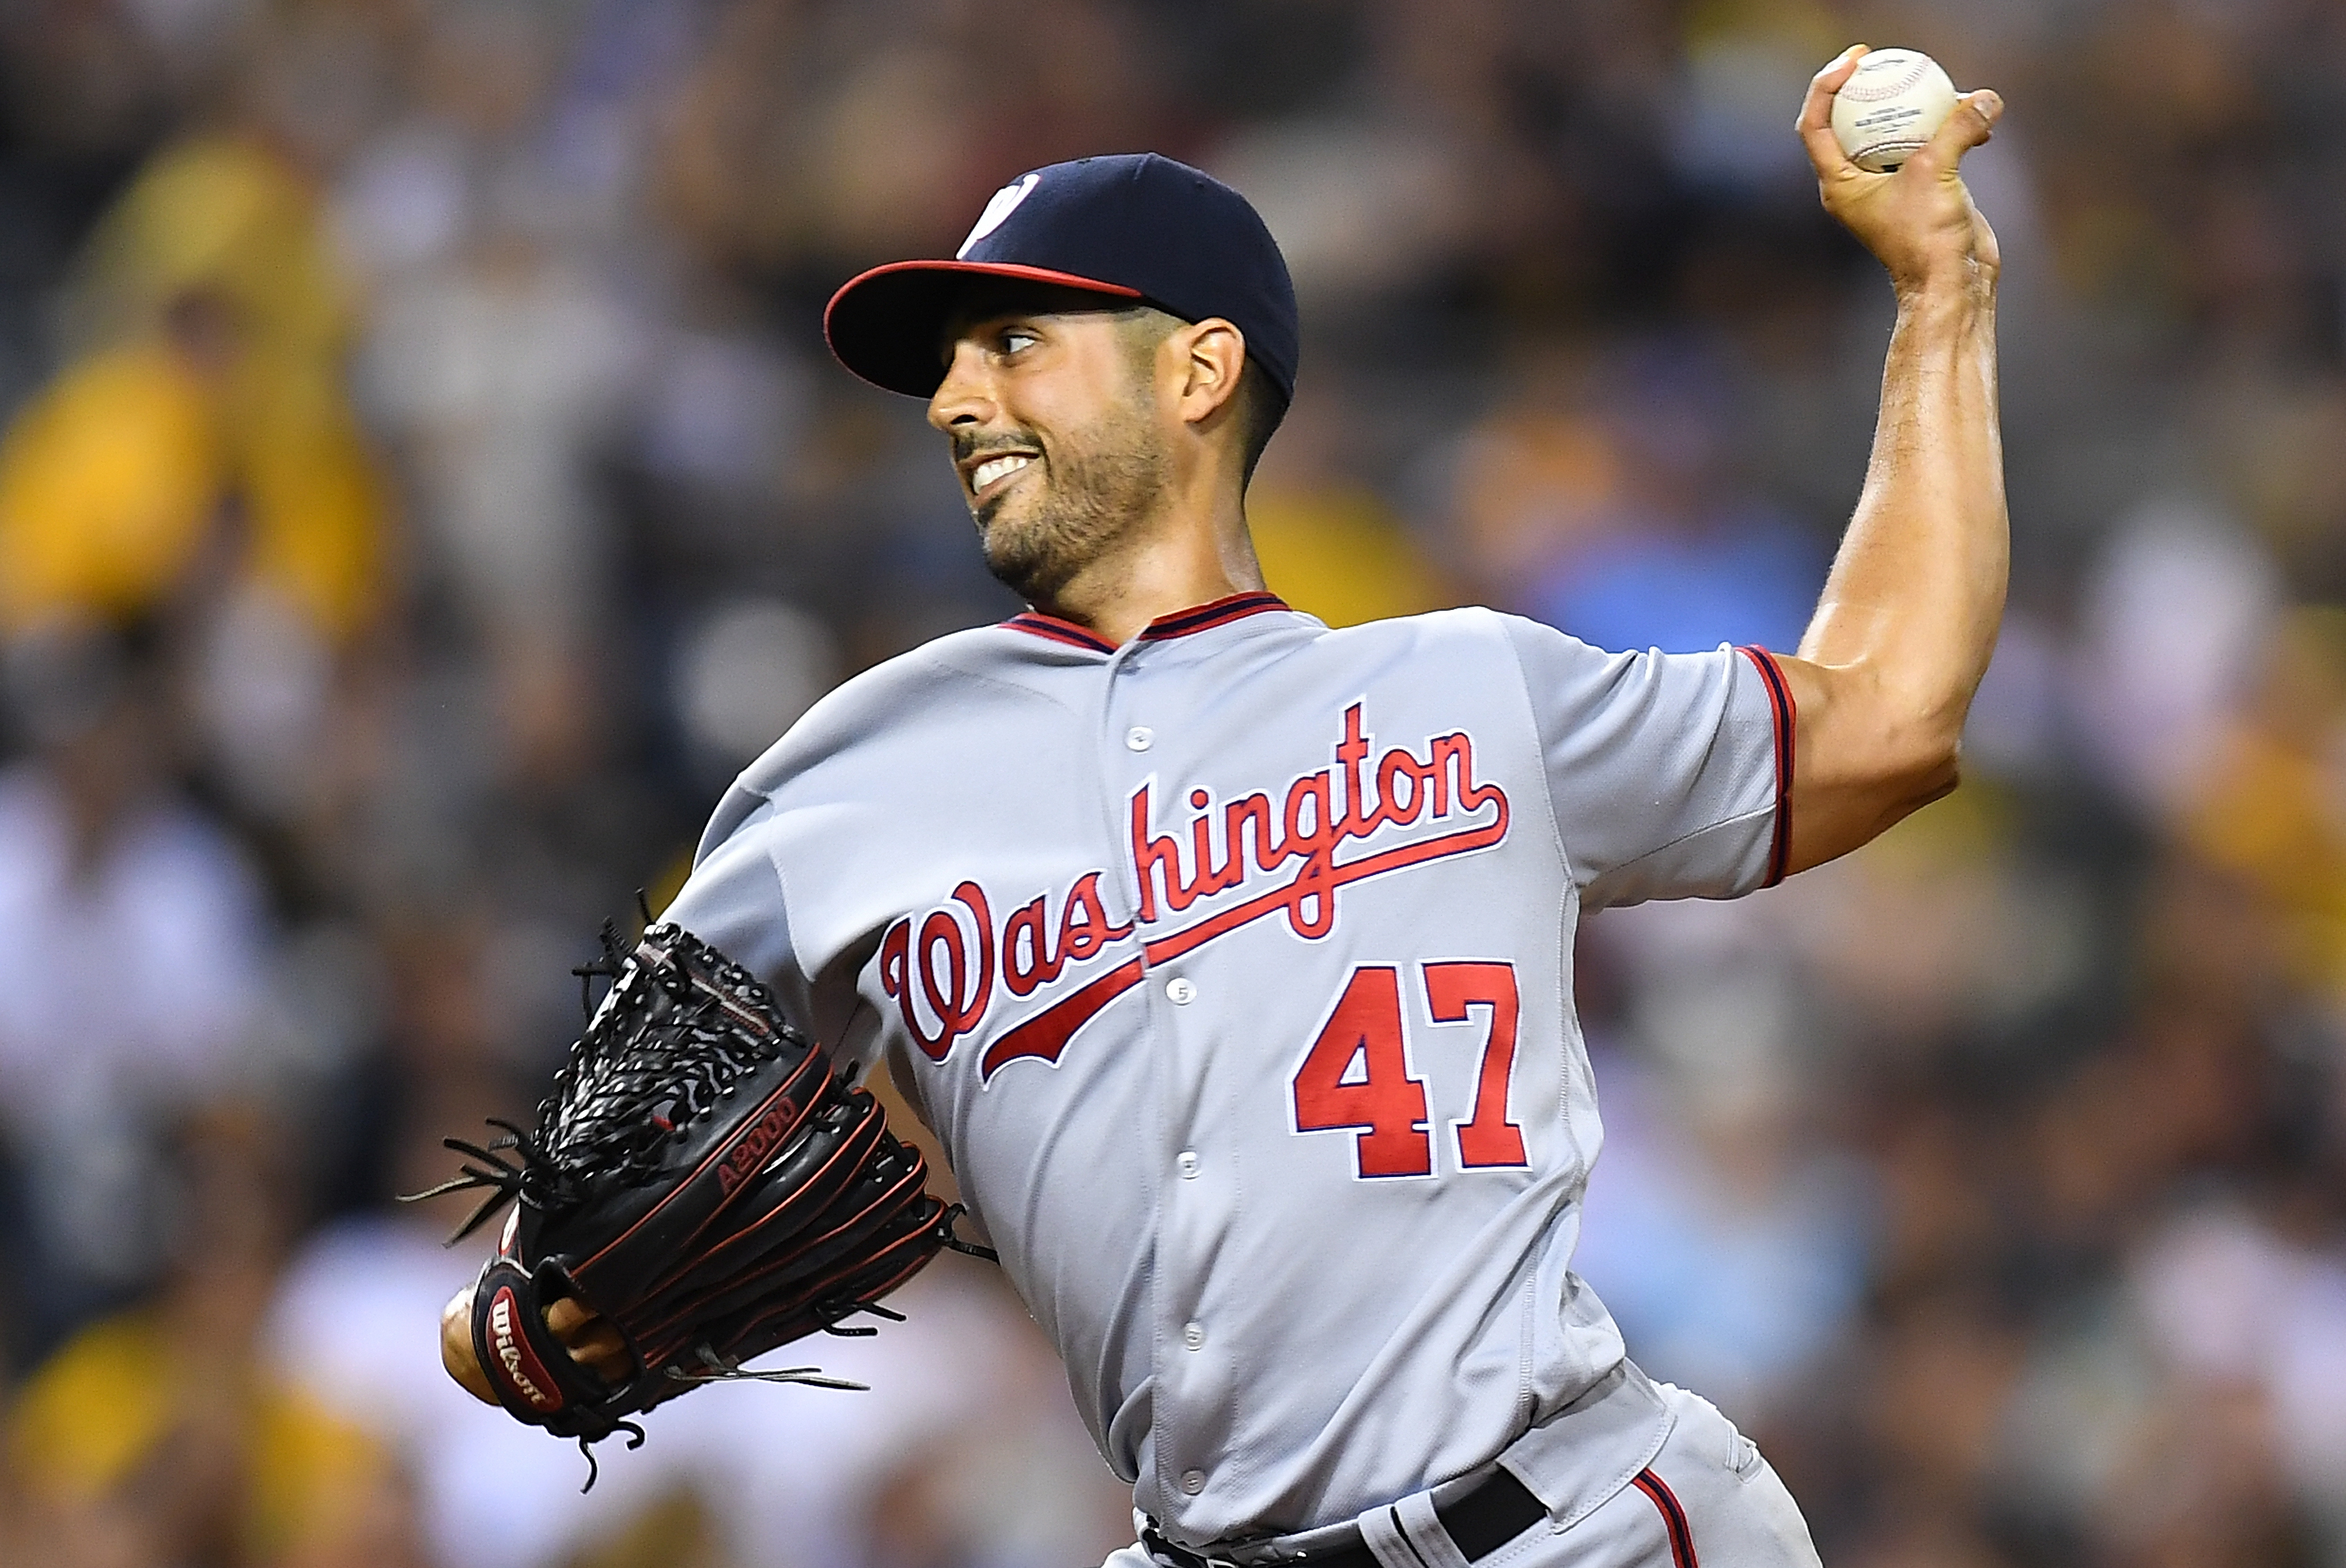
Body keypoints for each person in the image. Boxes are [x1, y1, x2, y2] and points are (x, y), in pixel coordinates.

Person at [444, 46, 2006, 1568]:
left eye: (1014, 342)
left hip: (1575, 1519)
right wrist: (510, 1320)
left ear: (1198, 367)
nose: (952, 400)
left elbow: (1887, 718)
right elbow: (581, 1197)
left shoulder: (1475, 690)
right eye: (952, 361)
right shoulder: (847, 777)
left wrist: (1941, 304)